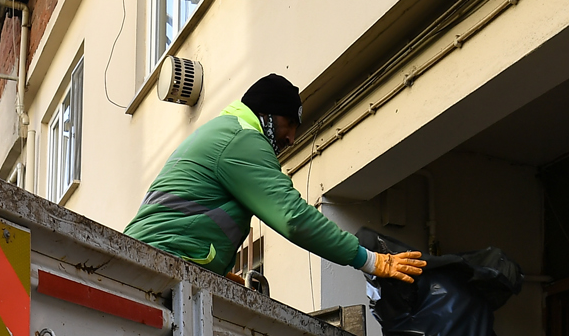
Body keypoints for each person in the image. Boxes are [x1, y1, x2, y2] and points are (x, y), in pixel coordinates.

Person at [125, 74, 426, 285]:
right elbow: (293, 217)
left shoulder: (224, 131)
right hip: (163, 263)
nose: (292, 138)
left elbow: (190, 212)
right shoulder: (242, 139)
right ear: (266, 115)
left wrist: (216, 271)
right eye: (289, 124)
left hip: (153, 258)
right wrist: (371, 261)